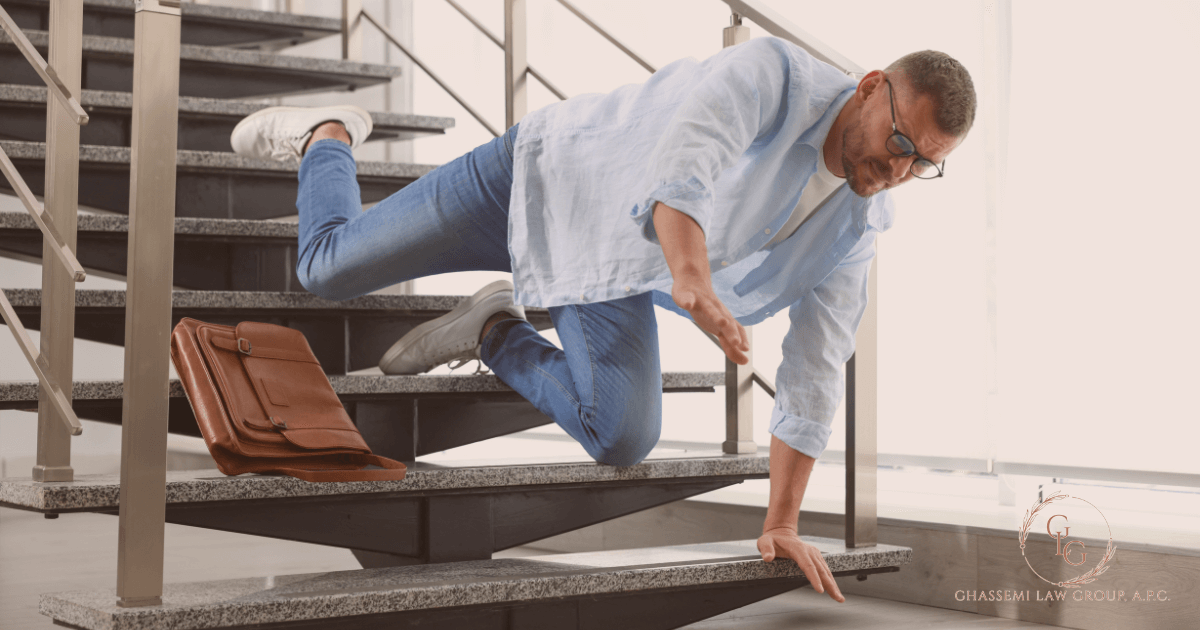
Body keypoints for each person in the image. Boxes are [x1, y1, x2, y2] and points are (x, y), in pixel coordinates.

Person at [230, 37, 975, 604]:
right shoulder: (775, 75)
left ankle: (496, 329)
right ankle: (328, 134)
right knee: (325, 268)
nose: (900, 170)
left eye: (925, 164)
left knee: (623, 434)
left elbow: (816, 369)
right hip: (542, 176)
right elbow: (688, 157)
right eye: (901, 142)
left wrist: (781, 519)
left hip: (608, 267)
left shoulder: (858, 226)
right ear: (872, 88)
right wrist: (690, 275)